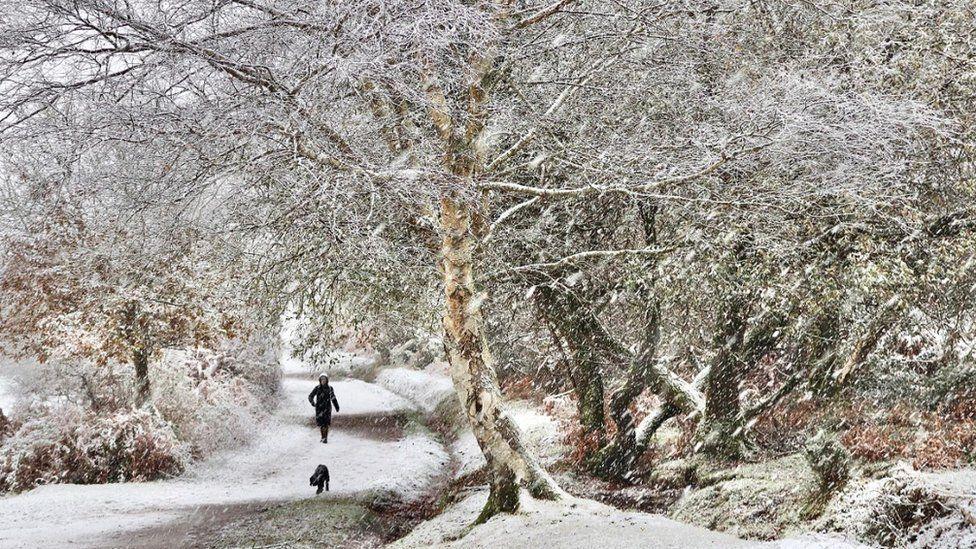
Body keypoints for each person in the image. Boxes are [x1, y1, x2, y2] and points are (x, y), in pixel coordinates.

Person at [308, 373, 339, 443]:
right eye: (322, 379)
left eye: (324, 379)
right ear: (320, 380)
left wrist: (336, 406)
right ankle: (322, 437)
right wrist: (313, 403)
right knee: (321, 424)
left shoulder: (330, 388)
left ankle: (325, 438)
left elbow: (333, 398)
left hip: (327, 408)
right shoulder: (317, 388)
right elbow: (310, 396)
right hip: (319, 408)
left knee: (326, 423)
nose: (323, 381)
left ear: (327, 380)